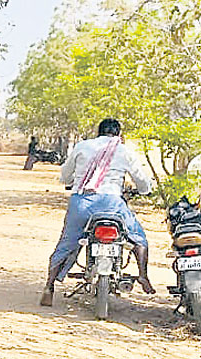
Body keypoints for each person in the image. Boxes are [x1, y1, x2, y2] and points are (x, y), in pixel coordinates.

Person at [40, 118, 154, 307]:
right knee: (139, 239)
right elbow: (142, 182)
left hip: (82, 204)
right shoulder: (124, 150)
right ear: (118, 134)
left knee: (67, 243)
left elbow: (65, 175)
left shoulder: (82, 146)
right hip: (113, 204)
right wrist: (143, 190)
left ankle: (49, 287)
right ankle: (143, 276)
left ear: (99, 132)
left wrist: (70, 181)